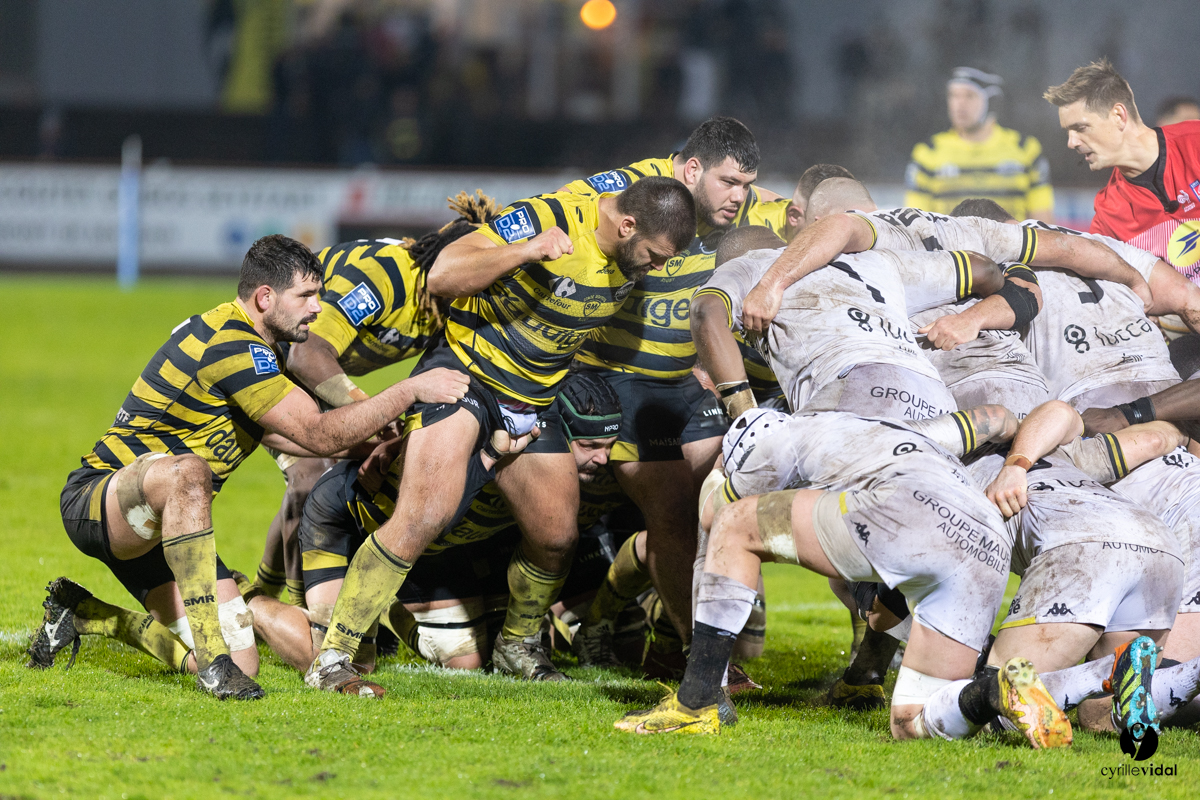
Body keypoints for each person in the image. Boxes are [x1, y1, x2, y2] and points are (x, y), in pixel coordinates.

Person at [29, 235, 469, 699]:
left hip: (169, 523)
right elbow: (318, 433)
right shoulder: (235, 345)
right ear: (265, 297)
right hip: (103, 501)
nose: (318, 308)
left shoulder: (260, 345)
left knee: (248, 663)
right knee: (189, 472)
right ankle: (216, 663)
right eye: (306, 296)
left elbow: (290, 435)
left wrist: (370, 451)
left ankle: (81, 613)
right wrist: (408, 391)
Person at [301, 177, 695, 694]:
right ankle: (333, 658)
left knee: (556, 535)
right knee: (423, 516)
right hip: (469, 377)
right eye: (655, 254)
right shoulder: (547, 218)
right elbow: (442, 275)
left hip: (532, 400)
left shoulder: (629, 254)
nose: (658, 267)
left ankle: (517, 644)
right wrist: (526, 250)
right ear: (626, 225)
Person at [618, 404, 1075, 750]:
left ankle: (698, 700)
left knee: (737, 523)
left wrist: (719, 480)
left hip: (911, 511)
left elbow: (713, 523)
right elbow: (993, 417)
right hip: (983, 534)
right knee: (911, 722)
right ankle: (991, 693)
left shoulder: (767, 439)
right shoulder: (883, 430)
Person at [563, 117, 790, 660]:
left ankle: (635, 623)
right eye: (728, 182)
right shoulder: (623, 194)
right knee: (669, 513)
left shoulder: (753, 207)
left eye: (747, 185)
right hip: (616, 381)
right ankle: (696, 657)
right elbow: (562, 209)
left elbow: (824, 213)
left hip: (687, 386)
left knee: (716, 504)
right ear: (691, 169)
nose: (739, 198)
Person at [244, 370, 628, 674]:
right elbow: (436, 515)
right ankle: (248, 600)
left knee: (485, 657)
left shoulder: (538, 465)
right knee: (341, 659)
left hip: (436, 548)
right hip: (346, 521)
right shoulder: (494, 441)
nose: (602, 459)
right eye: (589, 447)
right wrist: (489, 457)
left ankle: (385, 602)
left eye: (608, 447)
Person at [253, 192, 499, 605]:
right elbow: (306, 352)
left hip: (323, 380)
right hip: (270, 367)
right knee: (311, 476)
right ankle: (301, 614)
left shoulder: (462, 302)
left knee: (363, 469)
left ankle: (264, 592)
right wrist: (366, 407)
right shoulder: (385, 275)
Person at [1045, 58, 1200, 289]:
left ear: (1118, 115)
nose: (1071, 142)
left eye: (1080, 128)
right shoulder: (1108, 213)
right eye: (1069, 132)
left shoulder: (1195, 141)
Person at [906, 68, 1054, 222]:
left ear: (992, 100)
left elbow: (1043, 224)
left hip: (1011, 245)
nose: (959, 104)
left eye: (970, 96)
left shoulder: (1025, 149)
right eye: (954, 95)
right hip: (949, 246)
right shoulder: (928, 153)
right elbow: (916, 224)